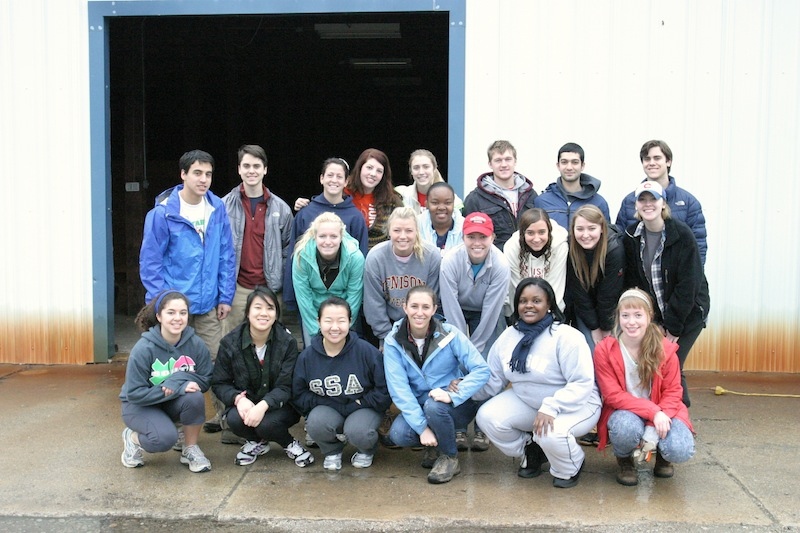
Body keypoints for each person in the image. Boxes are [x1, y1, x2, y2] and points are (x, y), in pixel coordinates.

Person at [139, 149, 236, 442]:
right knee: (174, 367)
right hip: (175, 307)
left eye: (208, 174)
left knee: (217, 361)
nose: (203, 179)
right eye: (197, 173)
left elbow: (226, 256)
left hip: (207, 304)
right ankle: (177, 428)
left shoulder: (217, 209)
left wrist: (225, 295)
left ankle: (228, 420)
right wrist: (161, 304)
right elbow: (151, 261)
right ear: (183, 175)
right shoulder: (163, 213)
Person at [475, 278, 601, 489]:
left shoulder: (566, 337)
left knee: (550, 434)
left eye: (536, 300)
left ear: (549, 304)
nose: (529, 305)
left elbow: (582, 383)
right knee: (487, 417)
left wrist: (551, 407)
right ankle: (531, 451)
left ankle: (571, 464)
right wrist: (462, 389)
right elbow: (493, 380)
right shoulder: (508, 336)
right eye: (523, 301)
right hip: (530, 402)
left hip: (576, 405)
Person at [383, 285, 490, 484]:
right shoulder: (393, 341)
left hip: (453, 405)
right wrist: (422, 429)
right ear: (405, 307)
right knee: (399, 434)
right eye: (414, 306)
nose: (419, 312)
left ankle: (449, 457)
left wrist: (454, 395)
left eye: (426, 307)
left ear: (434, 309)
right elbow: (399, 389)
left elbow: (482, 370)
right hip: (421, 406)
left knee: (434, 406)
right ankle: (432, 444)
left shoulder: (450, 333)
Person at [594, 289, 696, 486]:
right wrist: (653, 413)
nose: (631, 322)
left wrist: (654, 423)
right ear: (618, 318)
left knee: (680, 448)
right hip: (626, 410)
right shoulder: (604, 350)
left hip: (665, 409)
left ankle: (663, 458)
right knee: (625, 428)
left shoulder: (665, 349)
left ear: (649, 316)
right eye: (625, 315)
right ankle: (624, 461)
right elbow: (612, 395)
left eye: (638, 315)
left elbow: (674, 392)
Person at [622, 181, 710, 407]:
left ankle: (679, 419)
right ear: (637, 205)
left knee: (672, 363)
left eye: (653, 199)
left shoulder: (682, 235)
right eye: (643, 199)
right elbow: (635, 284)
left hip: (688, 314)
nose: (648, 204)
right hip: (658, 316)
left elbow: (688, 284)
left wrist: (672, 326)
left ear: (663, 204)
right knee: (660, 365)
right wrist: (654, 322)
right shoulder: (631, 236)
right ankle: (666, 415)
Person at [211, 287, 314, 468]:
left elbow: (286, 385)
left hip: (281, 406)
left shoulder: (287, 342)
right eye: (258, 308)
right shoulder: (230, 342)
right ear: (248, 312)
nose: (263, 313)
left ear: (276, 314)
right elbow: (220, 382)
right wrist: (237, 399)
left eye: (270, 308)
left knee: (267, 423)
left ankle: (289, 443)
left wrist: (264, 405)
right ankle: (257, 442)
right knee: (234, 419)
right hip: (248, 402)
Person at [119, 290, 213, 473]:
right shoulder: (143, 349)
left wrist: (177, 381)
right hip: (139, 406)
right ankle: (132, 438)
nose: (177, 318)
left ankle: (190, 448)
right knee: (163, 439)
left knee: (194, 397)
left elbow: (205, 378)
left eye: (183, 313)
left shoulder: (196, 344)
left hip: (169, 403)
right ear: (159, 316)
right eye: (171, 312)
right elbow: (134, 393)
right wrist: (177, 388)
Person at [292, 297, 391, 471]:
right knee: (315, 422)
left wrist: (362, 402)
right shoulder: (307, 357)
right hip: (328, 406)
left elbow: (384, 390)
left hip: (363, 407)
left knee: (359, 431)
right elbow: (299, 394)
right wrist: (326, 403)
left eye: (341, 321)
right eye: (328, 321)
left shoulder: (366, 351)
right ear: (319, 322)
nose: (335, 327)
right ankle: (332, 451)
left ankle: (366, 450)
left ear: (350, 322)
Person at [439, 212, 510, 451]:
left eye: (483, 236)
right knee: (452, 360)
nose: (477, 242)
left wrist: (475, 352)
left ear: (492, 237)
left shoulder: (500, 264)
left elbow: (491, 311)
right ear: (463, 237)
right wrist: (462, 350)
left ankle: (482, 425)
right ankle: (459, 426)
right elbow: (450, 306)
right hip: (456, 309)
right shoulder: (450, 260)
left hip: (486, 312)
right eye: (472, 236)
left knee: (489, 361)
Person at [222, 145, 293, 333]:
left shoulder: (281, 208)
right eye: (246, 166)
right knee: (232, 343)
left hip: (270, 288)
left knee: (271, 345)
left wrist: (279, 281)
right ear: (239, 169)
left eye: (256, 166)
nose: (251, 171)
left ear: (265, 169)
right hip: (236, 288)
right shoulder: (223, 206)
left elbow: (289, 250)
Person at [615, 140, 707, 265]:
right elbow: (619, 243)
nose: (651, 163)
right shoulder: (629, 201)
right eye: (647, 159)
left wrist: (695, 279)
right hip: (641, 279)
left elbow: (699, 245)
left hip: (677, 278)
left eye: (657, 158)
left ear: (668, 161)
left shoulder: (688, 202)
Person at [363, 206, 441, 345]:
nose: (403, 236)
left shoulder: (431, 256)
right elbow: (373, 305)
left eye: (409, 231)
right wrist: (386, 338)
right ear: (389, 232)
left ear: (417, 232)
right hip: (388, 326)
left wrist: (420, 336)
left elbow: (432, 300)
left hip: (422, 324)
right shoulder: (376, 258)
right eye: (397, 230)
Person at [291, 212, 365, 347]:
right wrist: (317, 331)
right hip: (313, 314)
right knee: (315, 355)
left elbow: (354, 296)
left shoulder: (355, 257)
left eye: (333, 236)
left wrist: (344, 325)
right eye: (322, 236)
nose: (328, 242)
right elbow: (303, 298)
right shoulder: (301, 256)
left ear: (341, 236)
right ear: (314, 236)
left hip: (344, 315)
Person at [567, 204, 625, 352]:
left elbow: (609, 295)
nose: (585, 235)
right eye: (580, 229)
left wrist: (605, 328)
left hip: (611, 309)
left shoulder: (614, 249)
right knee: (592, 350)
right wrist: (594, 327)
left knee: (610, 350)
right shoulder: (570, 248)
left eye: (591, 228)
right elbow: (579, 293)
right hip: (585, 308)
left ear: (601, 229)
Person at [463, 140, 538, 250]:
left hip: (527, 260)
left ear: (515, 161)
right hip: (493, 262)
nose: (504, 165)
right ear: (490, 164)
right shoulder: (475, 199)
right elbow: (467, 235)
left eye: (508, 159)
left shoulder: (530, 195)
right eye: (498, 160)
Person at [503, 208, 568, 316]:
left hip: (552, 309)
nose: (536, 239)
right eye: (530, 233)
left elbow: (555, 286)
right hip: (520, 310)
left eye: (542, 232)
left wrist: (549, 316)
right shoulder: (511, 247)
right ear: (523, 233)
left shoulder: (560, 246)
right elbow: (517, 288)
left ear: (549, 231)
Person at [534, 142, 610, 229]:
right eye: (564, 162)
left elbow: (606, 237)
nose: (569, 167)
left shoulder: (598, 202)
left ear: (582, 166)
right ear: (558, 166)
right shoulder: (542, 201)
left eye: (575, 162)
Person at [345, 148, 404, 250]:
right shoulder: (343, 193)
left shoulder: (393, 201)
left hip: (379, 260)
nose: (373, 174)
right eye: (369, 167)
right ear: (360, 167)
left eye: (379, 171)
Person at [396, 149, 463, 214]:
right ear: (411, 171)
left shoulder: (453, 200)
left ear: (434, 169)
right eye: (416, 168)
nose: (421, 172)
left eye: (426, 167)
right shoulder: (401, 195)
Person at [416, 182, 465, 255]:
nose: (441, 208)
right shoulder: (416, 225)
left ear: (453, 204)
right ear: (426, 204)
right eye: (435, 203)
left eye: (447, 203)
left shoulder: (464, 227)